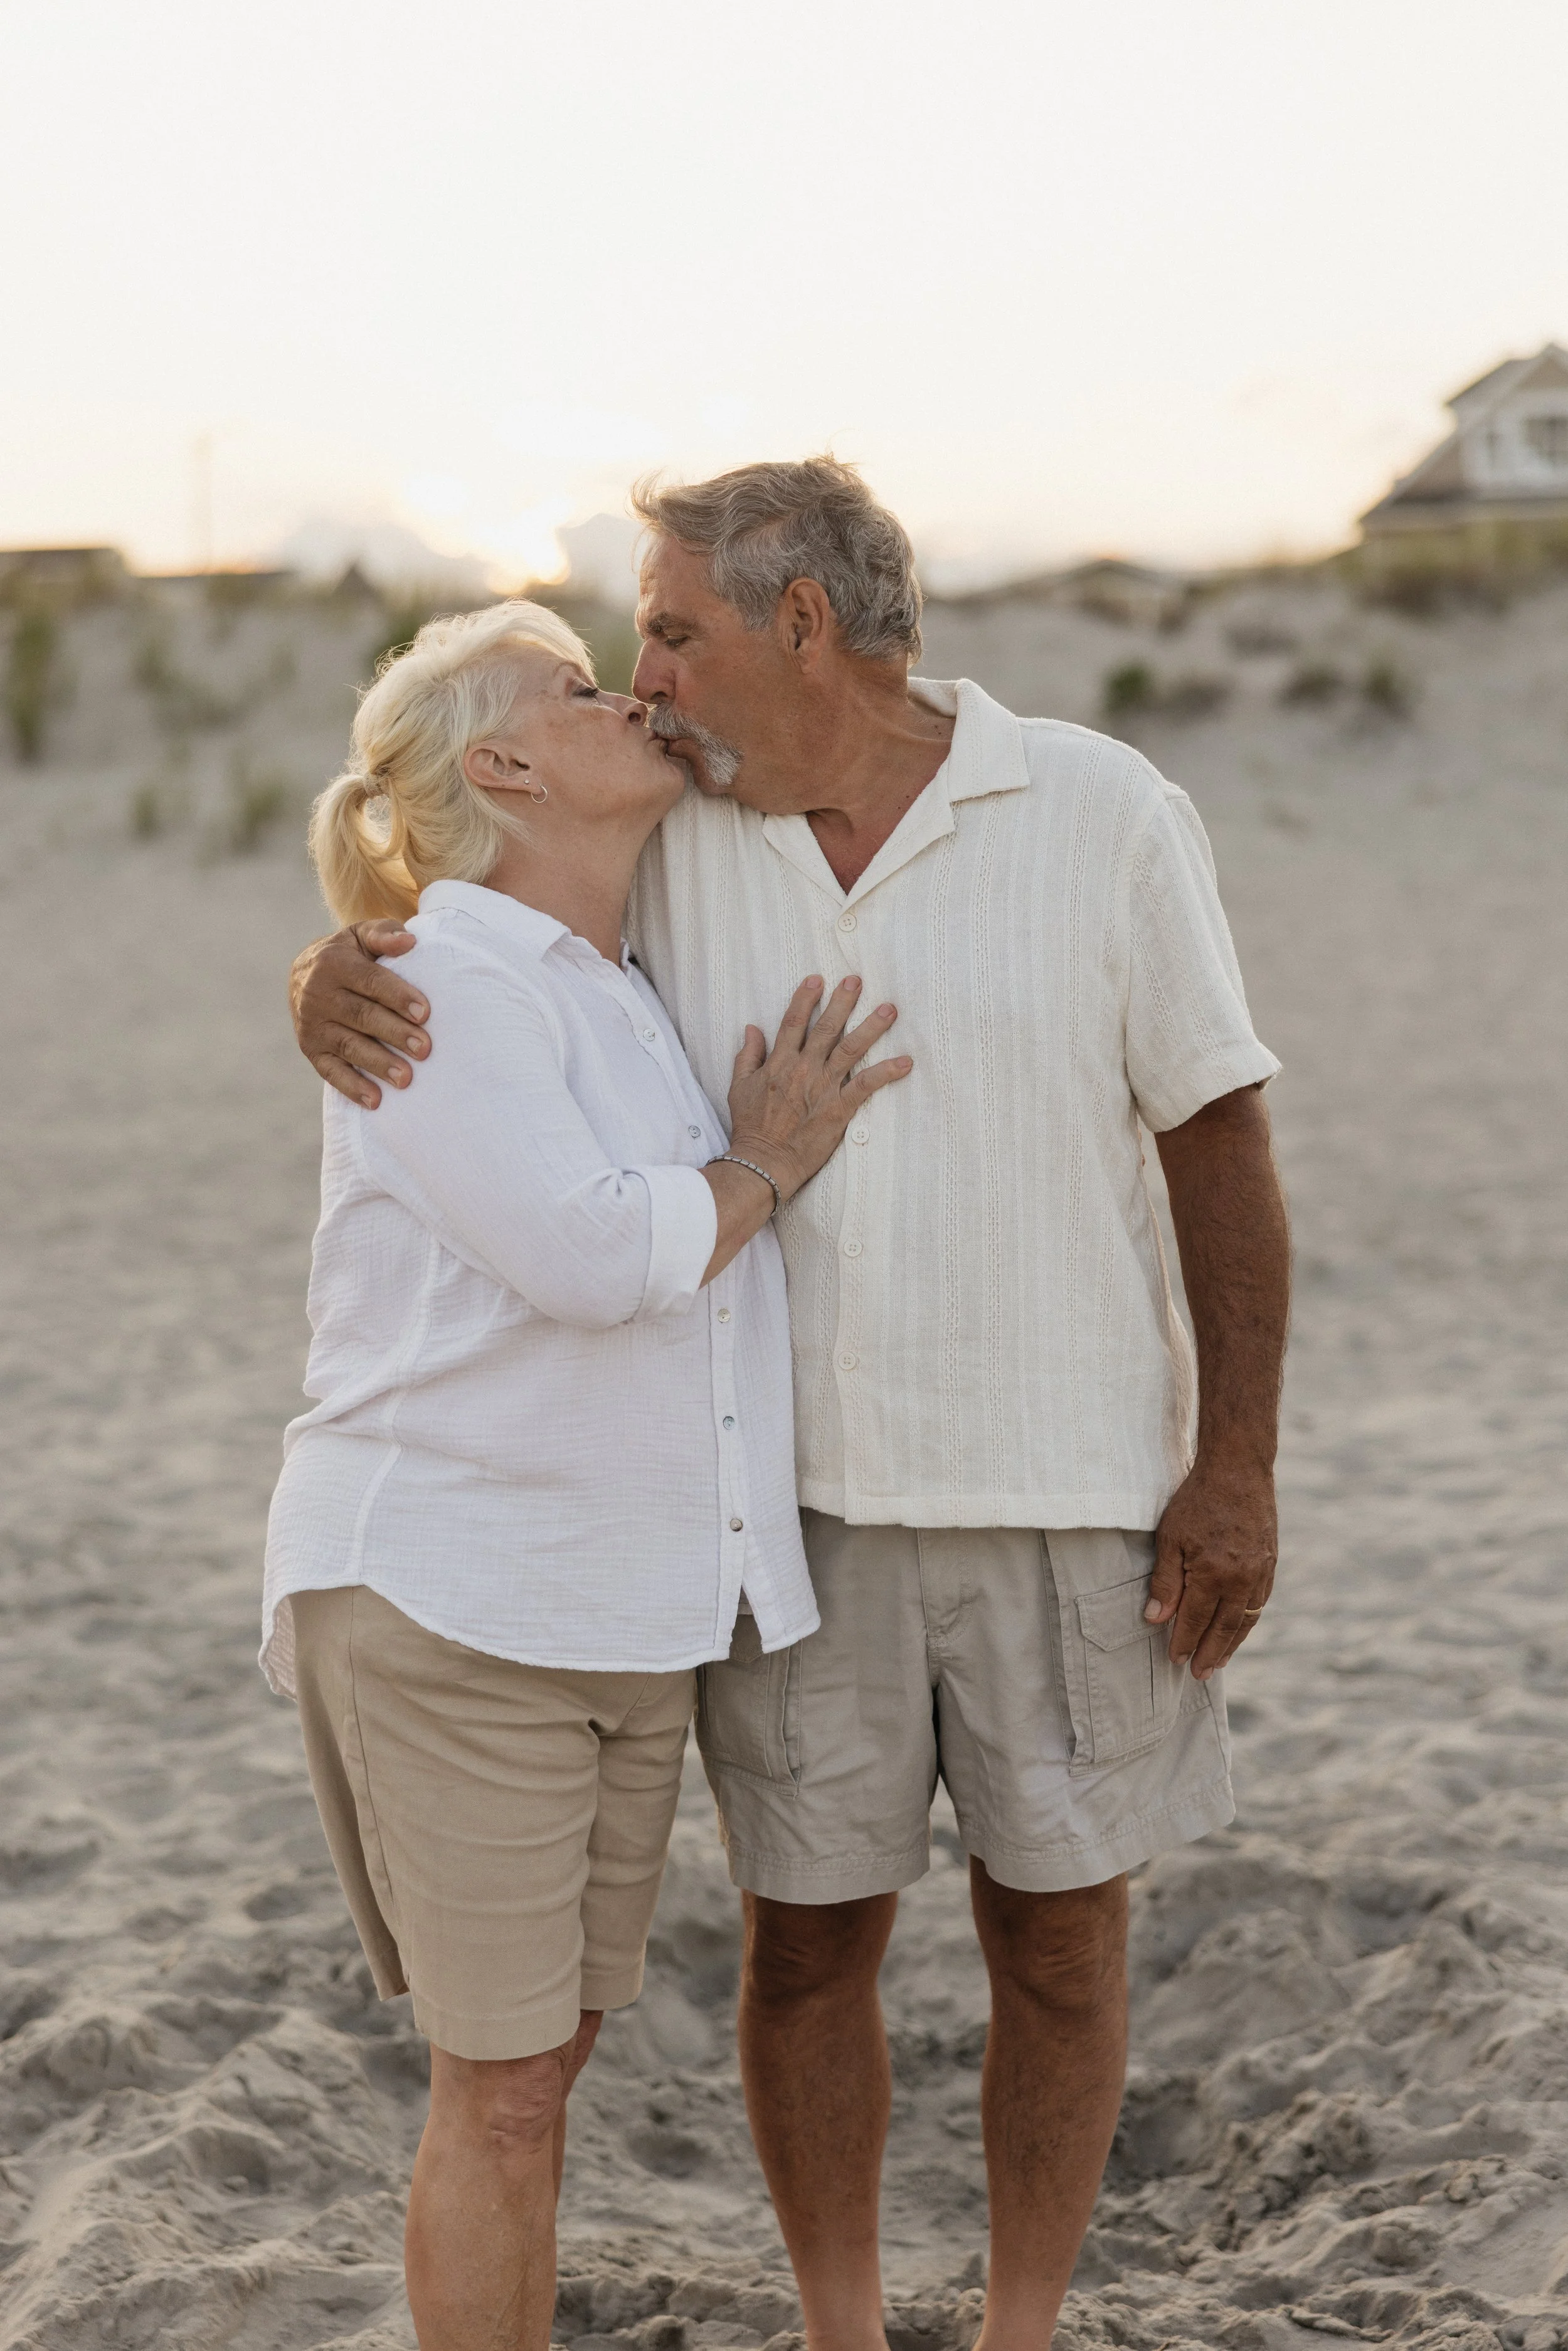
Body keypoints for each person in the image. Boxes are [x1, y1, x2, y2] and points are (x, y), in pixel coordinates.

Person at [290, 463, 1291, 2351]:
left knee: (1063, 1937)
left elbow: (1218, 1139)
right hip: (784, 1526)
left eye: (668, 628)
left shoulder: (1097, 809)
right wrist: (329, 970)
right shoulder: (671, 836)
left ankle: (1017, 2330)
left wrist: (1229, 1464)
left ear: (800, 621)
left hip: (1069, 1487)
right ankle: (840, 2335)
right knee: (808, 1947)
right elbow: (469, 927)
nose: (644, 674)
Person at [264, 596, 909, 2351]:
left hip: (620, 1611)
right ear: (503, 762)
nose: (622, 695)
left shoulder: (614, 973)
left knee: (543, 2061)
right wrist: (764, 1162)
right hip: (456, 1596)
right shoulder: (437, 979)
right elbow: (590, 1253)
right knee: (502, 2084)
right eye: (576, 686)